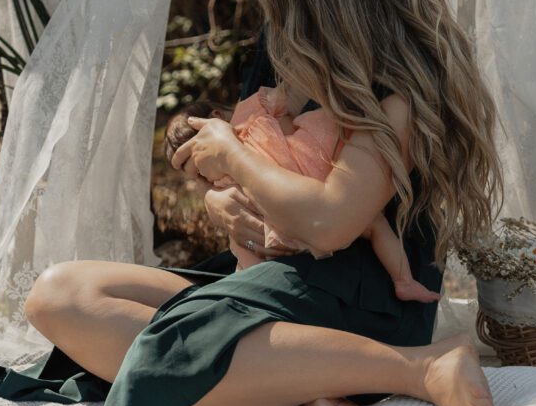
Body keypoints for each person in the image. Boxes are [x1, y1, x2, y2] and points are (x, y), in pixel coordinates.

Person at [0, 0, 504, 406]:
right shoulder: (289, 52)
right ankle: (289, 376)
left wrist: (233, 159)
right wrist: (223, 197)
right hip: (273, 276)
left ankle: (417, 367)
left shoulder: (401, 88)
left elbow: (331, 220)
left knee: (178, 381)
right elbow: (252, 155)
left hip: (356, 296)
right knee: (59, 294)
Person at [165, 85, 441, 303]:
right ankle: (404, 280)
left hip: (285, 229)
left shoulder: (223, 157)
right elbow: (282, 110)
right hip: (306, 186)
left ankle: (243, 289)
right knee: (376, 224)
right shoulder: (252, 112)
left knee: (246, 257)